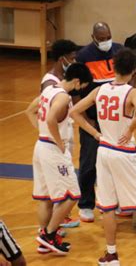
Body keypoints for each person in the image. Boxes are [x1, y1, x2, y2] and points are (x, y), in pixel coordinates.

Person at [70, 49, 136, 265]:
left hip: (105, 150)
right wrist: (130, 129)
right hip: (124, 152)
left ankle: (111, 255)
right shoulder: (132, 92)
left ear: (114, 66)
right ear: (135, 71)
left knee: (107, 206)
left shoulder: (99, 90)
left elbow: (74, 112)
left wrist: (95, 133)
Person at [25, 63, 92, 255]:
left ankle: (44, 239)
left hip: (41, 146)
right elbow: (51, 119)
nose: (81, 89)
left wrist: (43, 133)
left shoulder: (50, 90)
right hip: (53, 149)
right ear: (77, 81)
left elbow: (30, 111)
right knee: (72, 194)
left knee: (45, 198)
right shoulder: (62, 96)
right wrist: (59, 142)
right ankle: (49, 234)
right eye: (82, 85)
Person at [74, 22, 123, 223]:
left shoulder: (120, 51)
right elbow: (76, 92)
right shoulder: (83, 56)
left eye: (108, 37)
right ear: (93, 37)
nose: (105, 42)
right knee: (88, 163)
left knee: (117, 162)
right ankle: (86, 204)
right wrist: (86, 120)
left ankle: (115, 201)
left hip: (115, 120)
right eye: (101, 39)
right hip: (93, 120)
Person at [41, 39, 81, 229]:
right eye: (72, 58)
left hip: (56, 136)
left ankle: (52, 226)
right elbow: (48, 117)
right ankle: (51, 229)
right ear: (61, 58)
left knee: (55, 187)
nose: (74, 62)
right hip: (54, 141)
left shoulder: (62, 81)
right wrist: (57, 140)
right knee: (65, 189)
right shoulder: (50, 83)